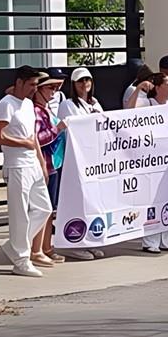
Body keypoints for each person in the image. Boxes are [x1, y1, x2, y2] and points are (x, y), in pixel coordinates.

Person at [0, 66, 52, 278]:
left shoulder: (28, 104)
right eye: (31, 84)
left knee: (44, 208)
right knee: (20, 214)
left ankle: (16, 247)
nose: (33, 89)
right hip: (16, 164)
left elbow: (33, 137)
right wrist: (24, 143)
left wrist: (41, 162)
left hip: (32, 164)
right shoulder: (6, 104)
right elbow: (0, 137)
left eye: (36, 85)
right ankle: (21, 259)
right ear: (19, 82)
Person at [130, 74, 168, 254]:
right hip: (149, 161)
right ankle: (150, 241)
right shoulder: (147, 103)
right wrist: (138, 89)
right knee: (151, 200)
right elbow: (128, 111)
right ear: (158, 87)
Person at [55, 67, 105, 262]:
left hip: (93, 160)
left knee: (91, 201)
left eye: (88, 81)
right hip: (75, 158)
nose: (85, 85)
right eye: (80, 81)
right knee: (76, 201)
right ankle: (73, 243)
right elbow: (70, 127)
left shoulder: (95, 103)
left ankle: (89, 240)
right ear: (74, 85)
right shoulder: (68, 104)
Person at [33, 76, 69, 265]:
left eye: (55, 89)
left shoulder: (43, 110)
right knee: (44, 209)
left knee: (48, 210)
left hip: (51, 163)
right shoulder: (37, 111)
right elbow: (38, 138)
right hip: (45, 164)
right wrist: (58, 128)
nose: (53, 92)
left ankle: (45, 247)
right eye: (49, 88)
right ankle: (40, 248)